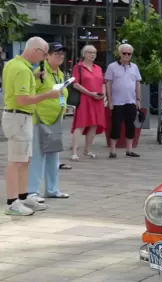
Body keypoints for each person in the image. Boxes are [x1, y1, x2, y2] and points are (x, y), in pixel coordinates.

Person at [2, 37, 61, 216]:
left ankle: (22, 196)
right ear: (36, 50)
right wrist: (48, 95)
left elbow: (21, 91)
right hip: (18, 117)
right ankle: (13, 202)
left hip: (21, 117)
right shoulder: (21, 69)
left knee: (25, 160)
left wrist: (34, 78)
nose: (44, 58)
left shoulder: (16, 65)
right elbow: (22, 99)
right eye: (44, 54)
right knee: (16, 161)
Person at [27, 42, 70, 204]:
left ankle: (52, 189)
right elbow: (30, 92)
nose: (60, 56)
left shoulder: (59, 73)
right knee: (38, 155)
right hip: (40, 119)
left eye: (62, 54)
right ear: (47, 55)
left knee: (54, 154)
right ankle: (32, 191)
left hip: (55, 119)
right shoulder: (41, 72)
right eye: (56, 53)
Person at [105, 43, 141, 159]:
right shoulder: (112, 67)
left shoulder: (134, 67)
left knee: (130, 125)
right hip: (117, 102)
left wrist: (138, 99)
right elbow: (108, 84)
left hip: (131, 101)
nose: (126, 55)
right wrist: (110, 101)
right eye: (124, 53)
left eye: (129, 53)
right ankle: (112, 151)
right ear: (119, 53)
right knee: (116, 125)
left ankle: (129, 150)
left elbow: (137, 83)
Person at [70, 45, 106, 160]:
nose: (93, 55)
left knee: (94, 125)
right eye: (90, 52)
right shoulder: (78, 67)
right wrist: (90, 93)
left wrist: (103, 94)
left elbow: (103, 83)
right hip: (85, 99)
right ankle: (74, 151)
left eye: (94, 53)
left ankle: (87, 150)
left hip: (97, 100)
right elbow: (75, 84)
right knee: (80, 124)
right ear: (84, 54)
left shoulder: (98, 68)